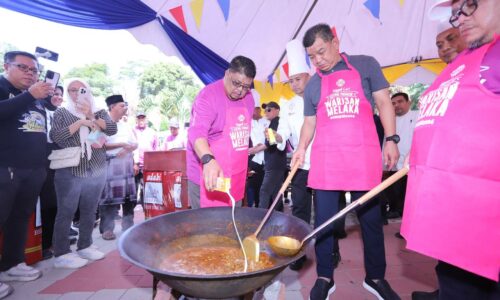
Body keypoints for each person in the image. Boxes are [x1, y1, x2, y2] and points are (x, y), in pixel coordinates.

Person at [292, 24, 401, 300]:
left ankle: (375, 277)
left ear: (335, 42)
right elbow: (309, 122)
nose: (318, 60)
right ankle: (324, 277)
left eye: (321, 51)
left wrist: (391, 138)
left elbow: (384, 102)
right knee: (325, 223)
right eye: (312, 57)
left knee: (371, 221)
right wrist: (301, 148)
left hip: (362, 159)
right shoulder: (313, 84)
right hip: (327, 162)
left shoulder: (365, 65)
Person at [402, 0, 500, 299]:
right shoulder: (465, 60)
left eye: (470, 4)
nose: (460, 19)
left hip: (484, 213)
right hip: (456, 211)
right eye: (456, 12)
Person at [0, 50, 53, 299]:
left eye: (33, 70)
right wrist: (29, 96)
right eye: (24, 67)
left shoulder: (35, 98)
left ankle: (12, 264)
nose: (30, 73)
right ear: (6, 66)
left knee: (20, 218)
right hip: (6, 167)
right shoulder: (4, 87)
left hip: (33, 169)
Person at [50, 78, 117, 269]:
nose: (76, 93)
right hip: (70, 169)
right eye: (72, 90)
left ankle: (85, 245)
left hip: (95, 168)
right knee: (66, 211)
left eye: (81, 90)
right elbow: (59, 137)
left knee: (89, 210)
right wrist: (80, 122)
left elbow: (112, 129)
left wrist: (90, 115)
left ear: (88, 91)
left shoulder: (99, 112)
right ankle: (62, 253)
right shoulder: (62, 112)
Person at [187, 56, 255, 209]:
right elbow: (196, 132)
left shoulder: (249, 100)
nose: (240, 91)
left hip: (235, 176)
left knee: (231, 225)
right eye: (236, 83)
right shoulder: (207, 96)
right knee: (207, 229)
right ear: (227, 73)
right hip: (207, 174)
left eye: (246, 87)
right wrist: (208, 160)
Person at [274, 39, 314, 271]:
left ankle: (330, 250)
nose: (295, 85)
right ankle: (298, 253)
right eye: (291, 81)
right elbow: (283, 132)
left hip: (322, 163)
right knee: (299, 209)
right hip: (300, 165)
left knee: (326, 211)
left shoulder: (320, 97)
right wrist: (277, 138)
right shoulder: (287, 104)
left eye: (298, 79)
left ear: (309, 78)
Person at [99, 95, 137, 241]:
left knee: (128, 200)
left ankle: (128, 227)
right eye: (122, 105)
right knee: (108, 200)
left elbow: (135, 144)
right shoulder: (101, 123)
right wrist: (120, 145)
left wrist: (128, 149)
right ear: (112, 107)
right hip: (110, 165)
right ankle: (107, 229)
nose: (125, 108)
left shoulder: (126, 125)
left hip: (126, 165)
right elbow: (95, 144)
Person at [383, 92, 419, 221]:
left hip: (412, 162)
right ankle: (394, 210)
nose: (397, 105)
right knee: (393, 191)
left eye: (400, 101)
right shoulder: (389, 119)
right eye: (393, 103)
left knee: (408, 194)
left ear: (408, 102)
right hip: (392, 163)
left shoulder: (417, 115)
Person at [40, 85, 64, 260]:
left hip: (62, 162)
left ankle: (55, 242)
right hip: (42, 162)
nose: (57, 97)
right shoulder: (38, 109)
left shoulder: (63, 114)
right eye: (54, 94)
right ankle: (44, 244)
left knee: (58, 204)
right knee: (47, 204)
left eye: (60, 95)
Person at [258, 101, 287, 212]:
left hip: (274, 163)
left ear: (277, 110)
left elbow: (272, 142)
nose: (266, 112)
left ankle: (261, 217)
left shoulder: (276, 122)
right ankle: (279, 216)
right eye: (265, 110)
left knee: (265, 191)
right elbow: (269, 143)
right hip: (276, 163)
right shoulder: (273, 123)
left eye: (269, 110)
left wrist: (267, 139)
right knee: (276, 193)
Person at [133, 111, 158, 205]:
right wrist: (133, 163)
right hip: (135, 165)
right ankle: (130, 215)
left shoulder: (152, 132)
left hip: (148, 166)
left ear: (146, 119)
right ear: (136, 120)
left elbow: (155, 149)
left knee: (147, 190)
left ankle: (146, 210)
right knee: (133, 190)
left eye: (142, 118)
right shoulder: (132, 131)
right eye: (139, 118)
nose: (141, 120)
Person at [246, 105, 266, 208]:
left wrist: (261, 145)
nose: (256, 111)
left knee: (260, 185)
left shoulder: (266, 121)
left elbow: (269, 139)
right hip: (251, 158)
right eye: (254, 109)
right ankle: (250, 205)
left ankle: (258, 205)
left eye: (258, 109)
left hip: (263, 159)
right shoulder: (247, 121)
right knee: (251, 184)